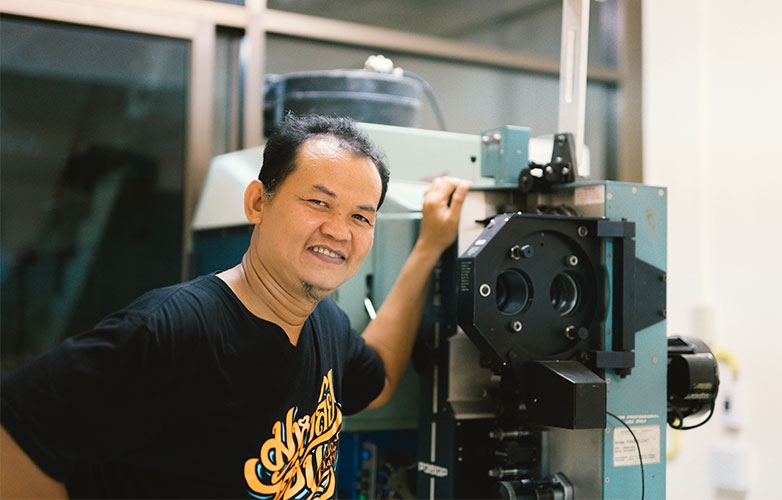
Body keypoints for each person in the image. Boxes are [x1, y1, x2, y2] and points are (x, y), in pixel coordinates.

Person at [0, 113, 470, 499]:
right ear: (258, 203)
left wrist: (429, 248)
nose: (338, 230)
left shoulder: (325, 323)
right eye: (318, 202)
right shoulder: (175, 330)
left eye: (360, 216)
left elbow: (380, 379)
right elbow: (12, 441)